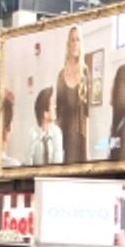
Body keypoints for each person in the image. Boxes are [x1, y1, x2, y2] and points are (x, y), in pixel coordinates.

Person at [55, 26, 90, 164]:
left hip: (80, 137)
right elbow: (58, 114)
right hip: (64, 137)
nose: (75, 43)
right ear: (68, 44)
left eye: (78, 40)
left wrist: (88, 150)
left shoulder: (85, 72)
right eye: (72, 40)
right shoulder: (60, 75)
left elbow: (87, 114)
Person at [29, 87, 64, 167]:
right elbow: (28, 162)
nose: (55, 107)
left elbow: (58, 163)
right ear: (45, 113)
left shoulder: (57, 133)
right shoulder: (32, 134)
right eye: (52, 105)